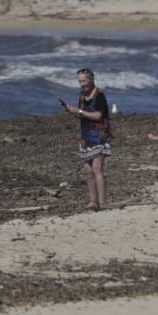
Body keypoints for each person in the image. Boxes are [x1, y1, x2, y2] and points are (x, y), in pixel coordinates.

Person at [61, 67, 111, 210]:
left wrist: (80, 111)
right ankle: (92, 201)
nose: (81, 84)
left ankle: (103, 202)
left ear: (91, 79)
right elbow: (83, 115)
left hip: (100, 135)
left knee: (97, 169)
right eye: (79, 81)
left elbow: (98, 116)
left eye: (83, 80)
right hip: (86, 135)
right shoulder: (82, 95)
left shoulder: (99, 95)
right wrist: (72, 111)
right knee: (89, 171)